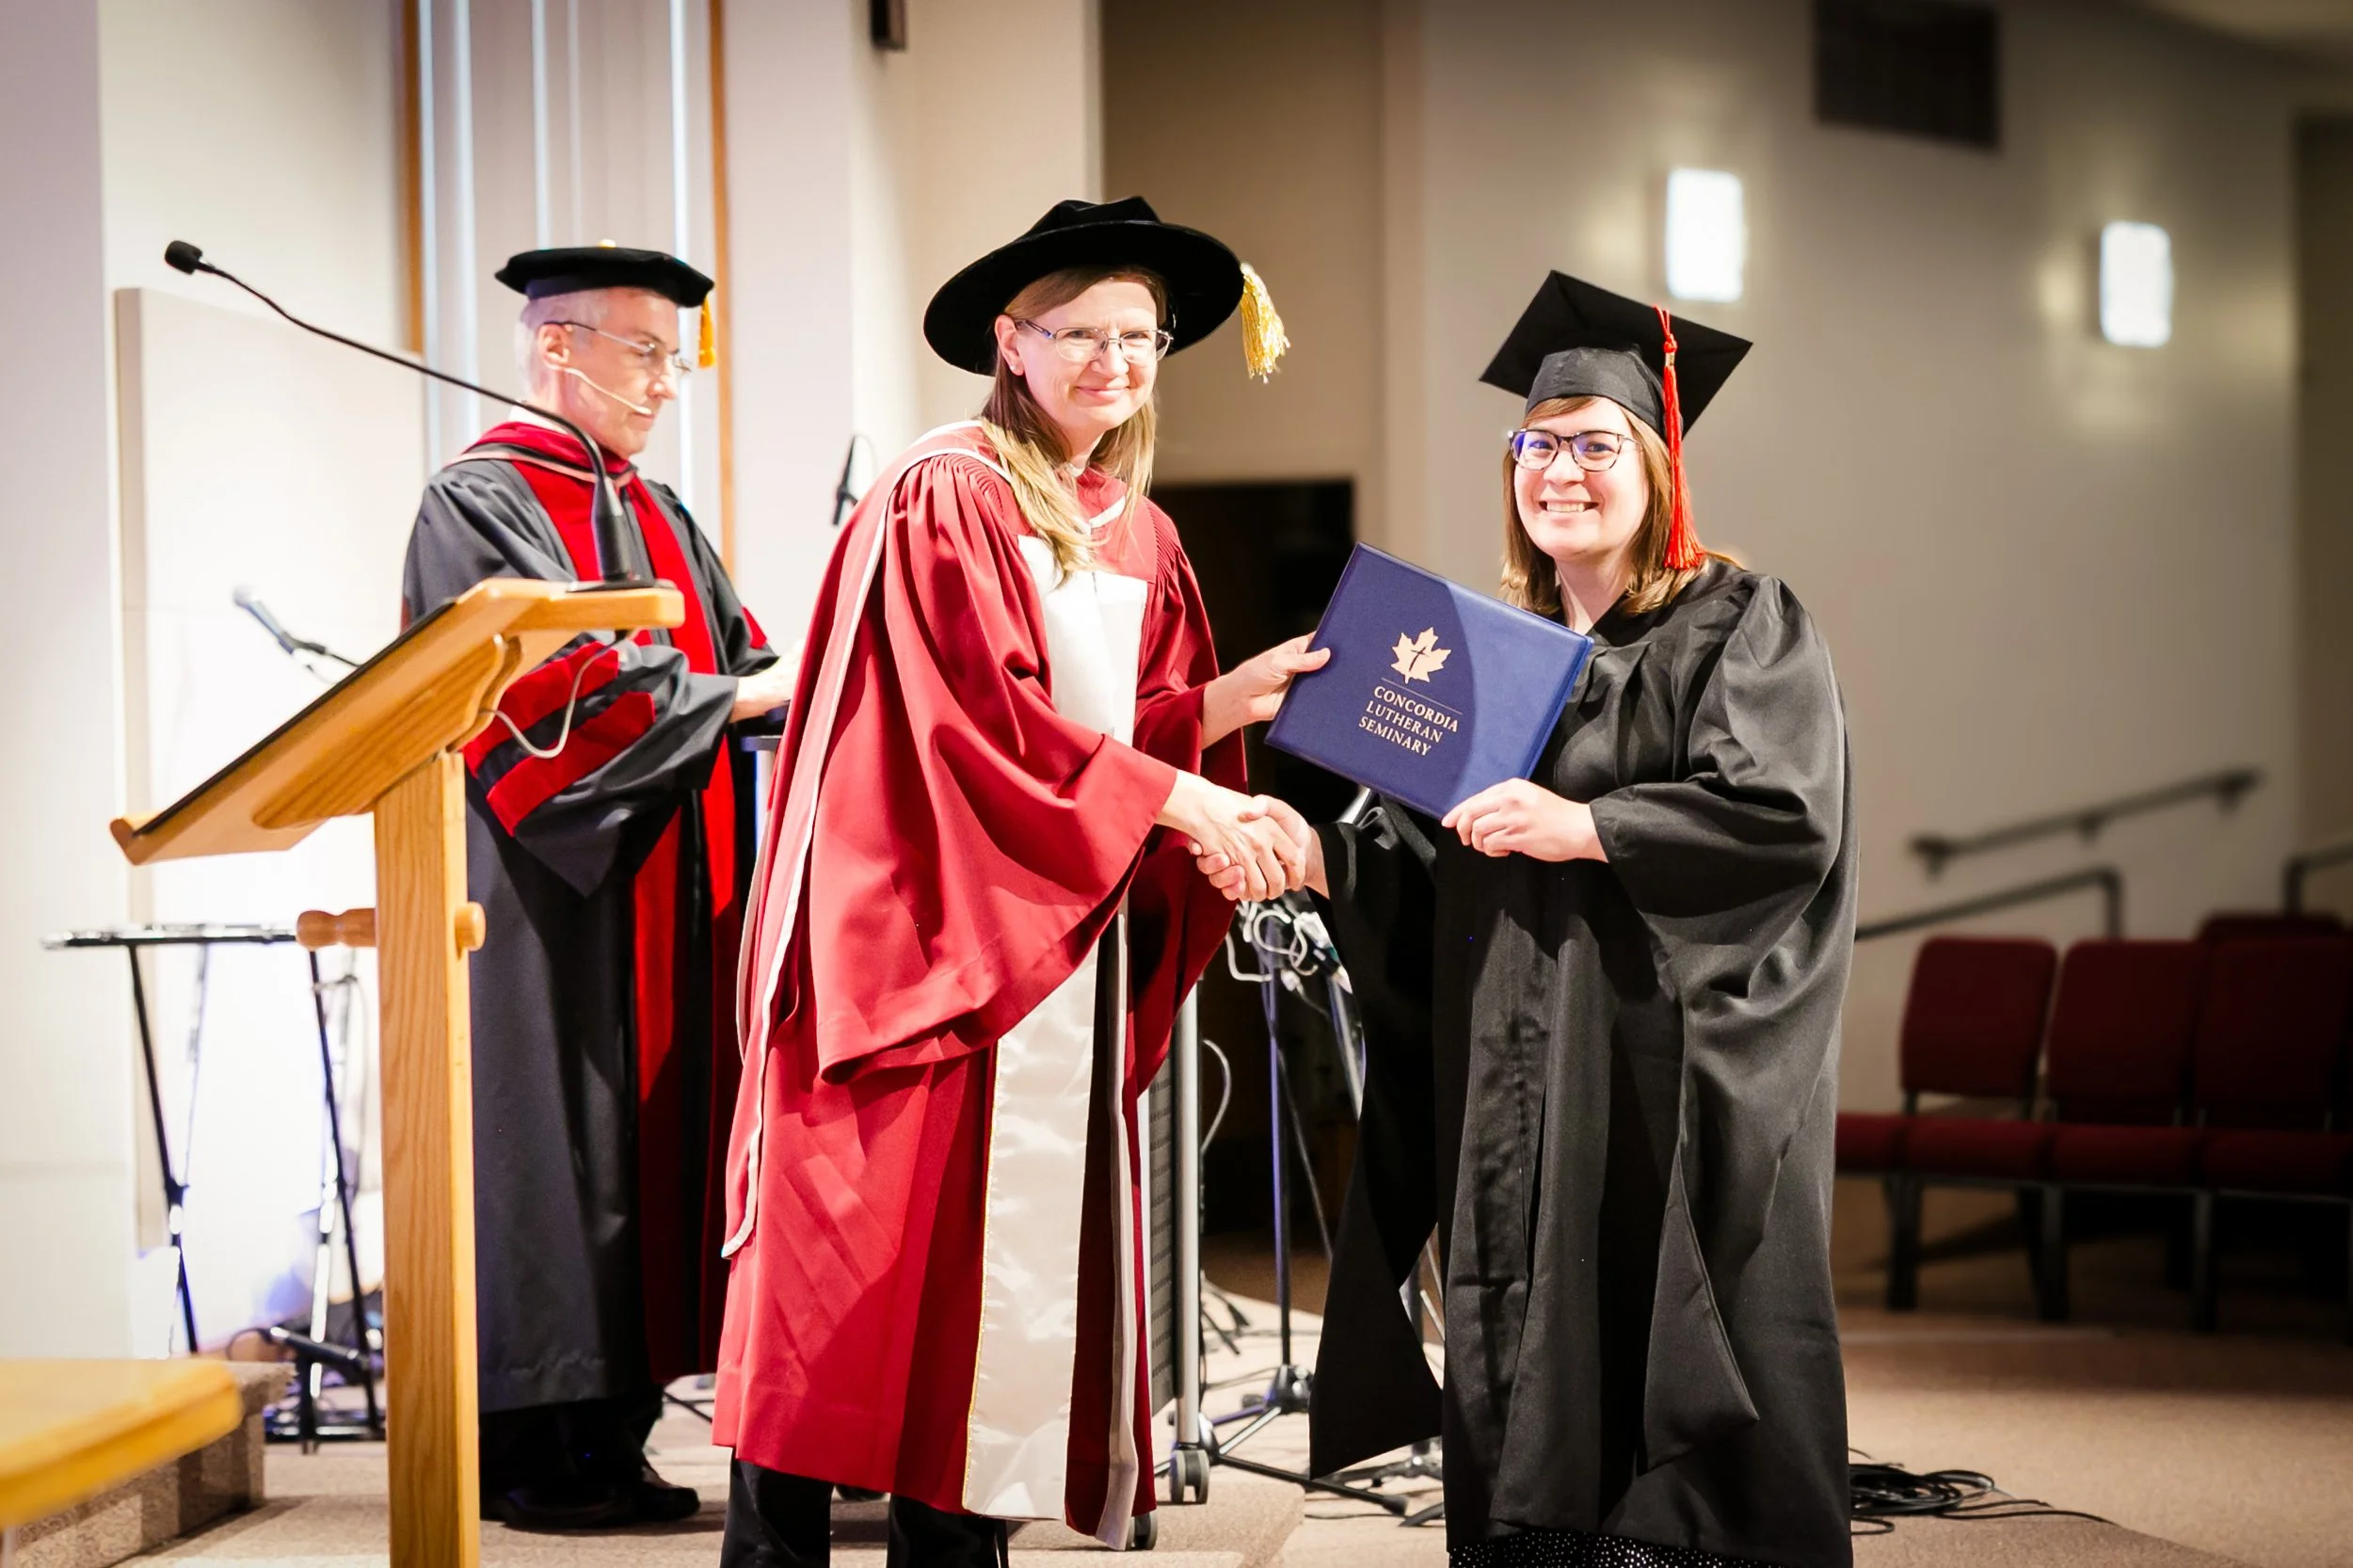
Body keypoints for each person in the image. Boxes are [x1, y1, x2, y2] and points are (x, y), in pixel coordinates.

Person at [712, 197, 1323, 1567]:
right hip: (917, 933)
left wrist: (1226, 703)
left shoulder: (1143, 533)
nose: (1116, 360)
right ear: (1012, 342)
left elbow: (1122, 726)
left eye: (1141, 336)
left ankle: (954, 1546)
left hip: (1052, 945)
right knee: (852, 1284)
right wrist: (1187, 795)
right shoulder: (950, 490)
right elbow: (973, 727)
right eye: (1083, 333)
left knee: (987, 1298)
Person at [1222, 272, 1857, 1567]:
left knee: (1651, 1297)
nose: (1559, 470)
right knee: (1511, 1291)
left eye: (1593, 443)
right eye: (1538, 443)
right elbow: (1420, 844)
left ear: (1657, 459)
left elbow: (1785, 813)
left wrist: (1596, 826)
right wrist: (1324, 844)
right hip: (1512, 1063)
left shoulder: (1736, 625)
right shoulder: (1486, 652)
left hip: (1656, 1064)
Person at [400, 243, 792, 1529]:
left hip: (669, 889)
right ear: (559, 346)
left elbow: (742, 664)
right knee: (551, 1149)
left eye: (676, 359)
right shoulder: (483, 501)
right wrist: (741, 695)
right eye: (648, 354)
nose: (668, 385)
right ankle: (531, 1449)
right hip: (543, 892)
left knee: (647, 1139)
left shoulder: (659, 509)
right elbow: (541, 690)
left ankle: (612, 1437)